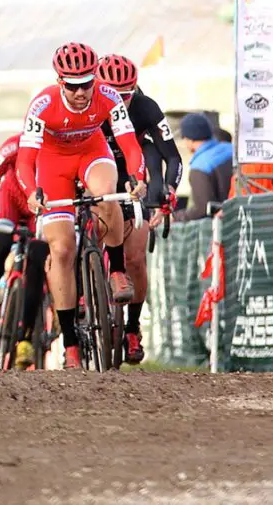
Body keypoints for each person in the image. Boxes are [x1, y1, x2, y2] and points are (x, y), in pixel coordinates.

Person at [17, 42, 146, 369]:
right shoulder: (42, 104)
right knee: (61, 251)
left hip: (92, 152)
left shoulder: (108, 95)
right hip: (53, 164)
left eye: (86, 84)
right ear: (60, 81)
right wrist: (33, 191)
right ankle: (71, 343)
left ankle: (116, 271)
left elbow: (129, 144)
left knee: (106, 192)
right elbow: (25, 159)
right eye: (72, 86)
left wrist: (136, 176)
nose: (80, 92)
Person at [96, 54, 183, 365]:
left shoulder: (146, 107)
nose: (120, 102)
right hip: (94, 170)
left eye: (126, 95)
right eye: (114, 95)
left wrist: (168, 193)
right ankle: (82, 286)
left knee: (135, 257)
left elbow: (172, 157)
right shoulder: (88, 104)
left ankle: (132, 328)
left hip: (132, 175)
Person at [0, 132, 49, 370]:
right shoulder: (13, 146)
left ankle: (26, 339)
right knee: (0, 243)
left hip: (40, 209)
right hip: (12, 200)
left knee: (37, 264)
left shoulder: (63, 144)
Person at [174, 112, 232, 221]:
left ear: (188, 139)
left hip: (223, 227)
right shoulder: (232, 149)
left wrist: (176, 217)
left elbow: (203, 209)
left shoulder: (200, 166)